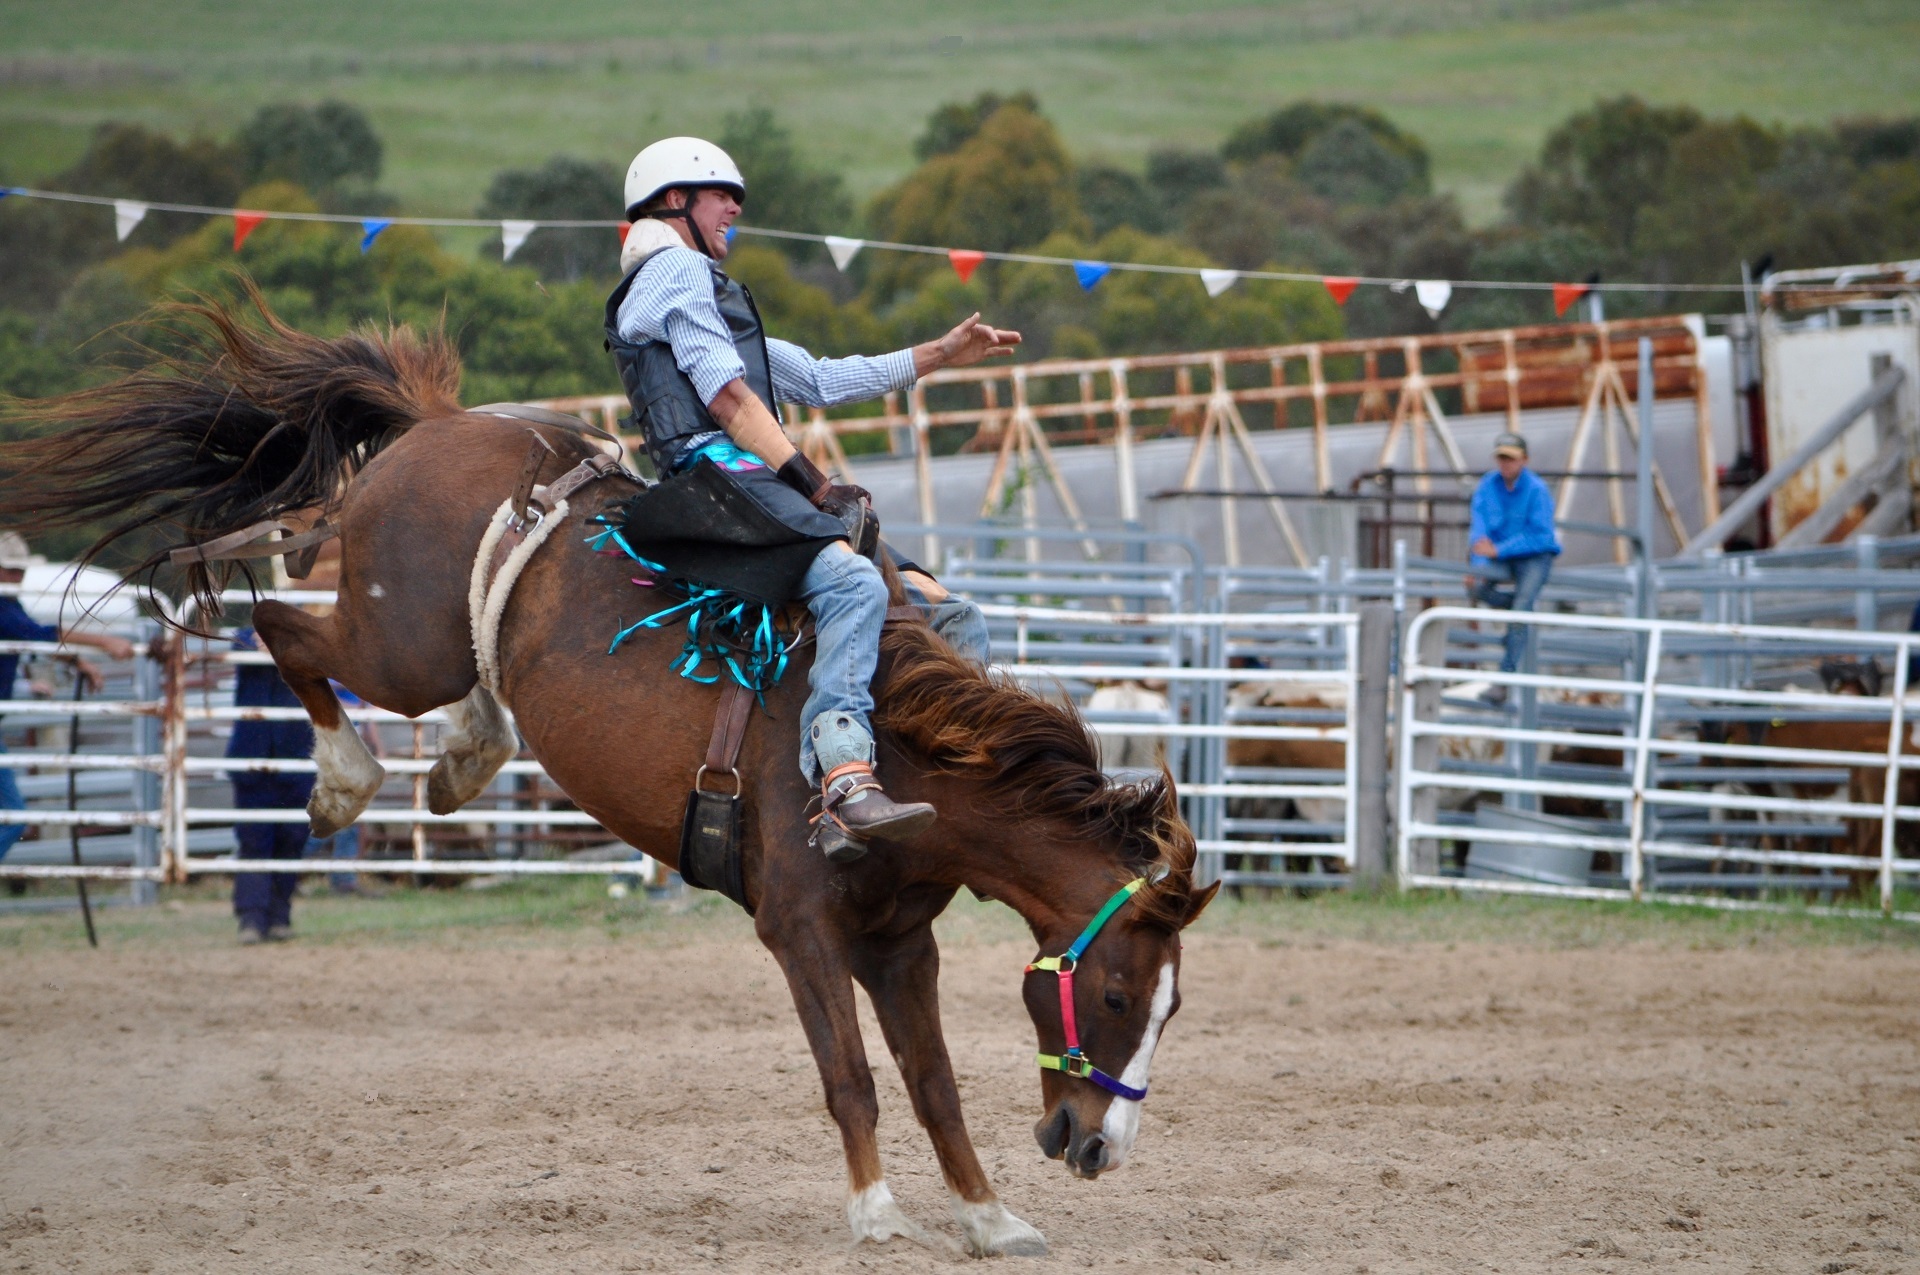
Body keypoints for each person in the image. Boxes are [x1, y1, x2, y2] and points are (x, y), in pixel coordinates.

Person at [606, 136, 1018, 858]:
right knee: (857, 583)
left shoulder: (706, 287)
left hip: (756, 485)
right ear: (675, 202)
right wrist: (815, 483)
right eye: (719, 194)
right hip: (714, 485)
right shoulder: (671, 270)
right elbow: (730, 400)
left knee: (948, 613)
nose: (735, 206)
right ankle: (842, 779)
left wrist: (941, 354)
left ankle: (953, 775)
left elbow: (823, 380)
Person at [0, 532, 137, 860]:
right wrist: (104, 643)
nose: (17, 577)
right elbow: (39, 635)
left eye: (20, 571)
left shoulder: (9, 603)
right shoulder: (3, 605)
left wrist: (78, 660)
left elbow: (32, 634)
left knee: (13, 817)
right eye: (10, 570)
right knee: (12, 816)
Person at [226, 626, 315, 942]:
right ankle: (252, 918)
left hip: (297, 756)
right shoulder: (245, 636)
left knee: (292, 838)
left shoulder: (305, 639)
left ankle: (279, 916)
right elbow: (246, 651)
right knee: (255, 839)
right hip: (253, 756)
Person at [1466, 432, 1561, 703]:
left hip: (1533, 556)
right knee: (1479, 589)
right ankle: (1520, 612)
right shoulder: (1487, 486)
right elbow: (1479, 533)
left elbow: (1542, 537)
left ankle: (1504, 679)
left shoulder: (1537, 490)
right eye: (1502, 458)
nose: (1506, 463)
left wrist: (1498, 550)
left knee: (1520, 610)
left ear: (1524, 460)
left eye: (1511, 458)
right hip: (1503, 555)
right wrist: (1480, 564)